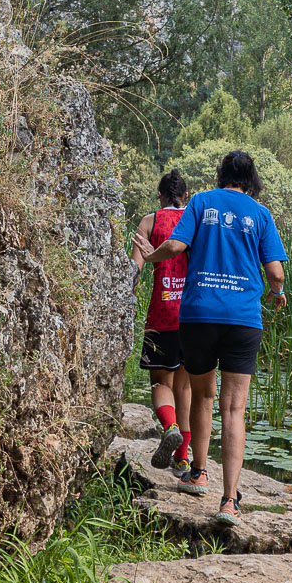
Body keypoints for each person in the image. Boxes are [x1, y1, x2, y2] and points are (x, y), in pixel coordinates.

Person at [135, 150, 286, 525]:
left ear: (221, 175)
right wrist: (277, 293)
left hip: (199, 315)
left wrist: (151, 258)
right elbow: (276, 273)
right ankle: (229, 501)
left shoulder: (201, 202)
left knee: (202, 396)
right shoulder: (260, 214)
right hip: (242, 320)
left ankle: (198, 473)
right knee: (234, 409)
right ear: (252, 179)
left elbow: (175, 245)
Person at [131, 169, 192, 472]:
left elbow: (134, 270)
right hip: (193, 314)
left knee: (160, 382)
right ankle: (182, 457)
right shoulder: (195, 220)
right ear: (186, 196)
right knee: (185, 388)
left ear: (160, 196)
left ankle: (170, 427)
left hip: (162, 313)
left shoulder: (149, 222)